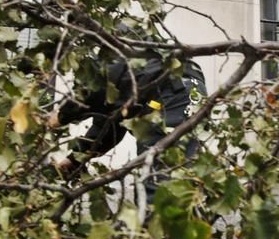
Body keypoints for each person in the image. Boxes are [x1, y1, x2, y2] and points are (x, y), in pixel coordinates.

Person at [52, 49, 206, 199]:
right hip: (187, 89)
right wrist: (75, 158)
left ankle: (153, 222)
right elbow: (109, 128)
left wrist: (60, 117)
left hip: (173, 91)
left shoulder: (107, 45)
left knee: (158, 176)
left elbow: (93, 89)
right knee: (179, 171)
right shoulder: (123, 82)